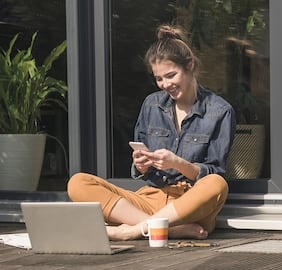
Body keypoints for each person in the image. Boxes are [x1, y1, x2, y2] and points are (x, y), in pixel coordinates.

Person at [67, 24, 236, 241]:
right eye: (159, 78)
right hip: (150, 199)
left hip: (188, 205)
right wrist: (141, 165)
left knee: (216, 184)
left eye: (171, 75)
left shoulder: (220, 111)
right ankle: (167, 230)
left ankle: (133, 230)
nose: (165, 84)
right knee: (78, 182)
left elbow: (214, 172)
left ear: (190, 65)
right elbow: (142, 170)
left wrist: (177, 163)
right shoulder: (151, 104)